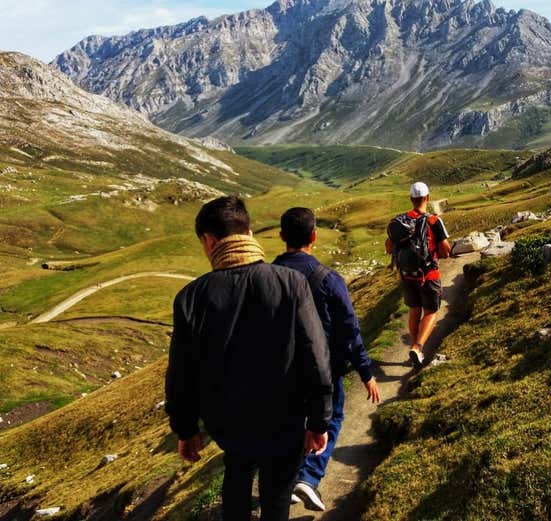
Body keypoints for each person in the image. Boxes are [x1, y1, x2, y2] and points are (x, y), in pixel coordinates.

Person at [165, 196, 333, 521]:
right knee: (277, 498)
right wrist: (318, 421)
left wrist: (185, 431)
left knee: (237, 472)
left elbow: (181, 374)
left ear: (210, 240)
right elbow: (316, 355)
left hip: (230, 424)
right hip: (285, 419)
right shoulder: (291, 283)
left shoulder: (191, 298)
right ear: (249, 232)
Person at [274, 207, 381, 512]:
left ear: (282, 237)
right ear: (314, 237)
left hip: (282, 370)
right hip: (325, 369)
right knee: (330, 418)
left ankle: (290, 478)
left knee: (293, 421)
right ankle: (308, 477)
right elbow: (350, 329)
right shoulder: (328, 278)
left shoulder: (267, 276)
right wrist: (365, 371)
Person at [386, 182, 451, 368]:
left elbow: (389, 247)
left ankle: (416, 353)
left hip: (407, 275)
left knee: (414, 310)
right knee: (431, 311)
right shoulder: (433, 221)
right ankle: (418, 347)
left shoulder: (400, 222)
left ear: (411, 199)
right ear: (427, 198)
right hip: (428, 275)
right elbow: (445, 251)